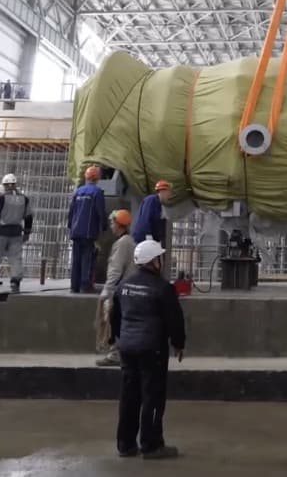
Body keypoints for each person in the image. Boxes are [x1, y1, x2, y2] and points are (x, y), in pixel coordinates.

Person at [109, 238, 186, 460]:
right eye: (160, 257)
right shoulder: (163, 288)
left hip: (127, 348)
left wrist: (118, 338)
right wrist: (178, 344)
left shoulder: (124, 285)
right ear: (154, 261)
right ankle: (151, 445)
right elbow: (175, 320)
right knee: (152, 397)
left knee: (129, 396)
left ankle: (125, 444)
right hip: (152, 350)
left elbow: (115, 316)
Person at [97, 209, 137, 367]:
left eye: (113, 223)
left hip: (120, 291)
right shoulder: (128, 241)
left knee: (114, 321)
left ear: (119, 225)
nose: (111, 226)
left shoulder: (122, 244)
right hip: (126, 289)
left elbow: (115, 270)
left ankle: (115, 354)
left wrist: (107, 291)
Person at [0, 173, 34, 293]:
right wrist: (27, 232)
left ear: (4, 185)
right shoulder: (24, 199)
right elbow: (29, 217)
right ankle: (15, 282)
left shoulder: (1, 199)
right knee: (16, 258)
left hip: (1, 233)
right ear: (15, 184)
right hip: (16, 233)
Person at [68, 165, 107, 294]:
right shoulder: (97, 192)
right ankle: (85, 285)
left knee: (76, 259)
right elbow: (100, 211)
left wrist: (70, 227)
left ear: (86, 177)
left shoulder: (78, 191)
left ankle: (74, 286)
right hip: (89, 232)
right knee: (87, 258)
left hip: (76, 231)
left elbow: (71, 211)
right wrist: (103, 227)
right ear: (97, 178)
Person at [132, 180, 172, 245]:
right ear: (162, 191)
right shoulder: (151, 200)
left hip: (150, 239)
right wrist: (148, 236)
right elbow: (145, 218)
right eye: (168, 193)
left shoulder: (159, 204)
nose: (169, 196)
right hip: (143, 239)